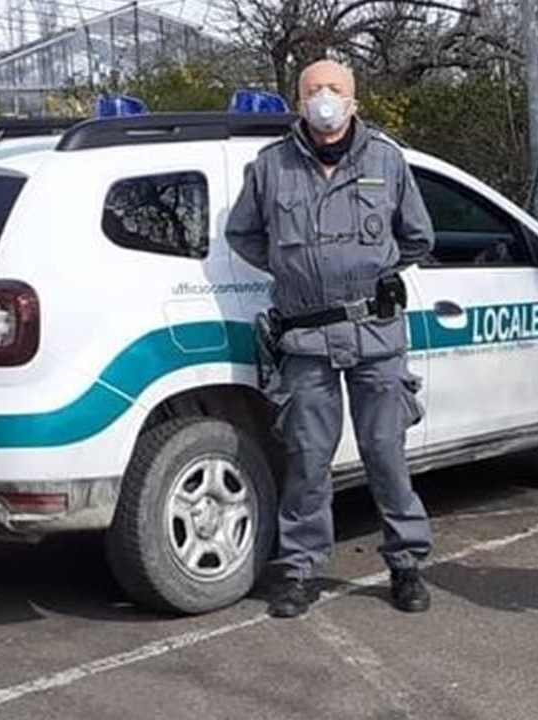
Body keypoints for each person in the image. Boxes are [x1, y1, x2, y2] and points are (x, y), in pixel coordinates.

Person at [225, 59, 438, 619]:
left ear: (354, 101)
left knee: (386, 454)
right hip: (306, 339)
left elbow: (417, 236)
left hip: (375, 334)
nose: (324, 98)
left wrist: (369, 273)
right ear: (298, 102)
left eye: (335, 89)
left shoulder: (387, 161)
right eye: (314, 90)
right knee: (308, 461)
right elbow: (243, 234)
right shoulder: (270, 168)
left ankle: (407, 564)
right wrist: (294, 272)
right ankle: (298, 570)